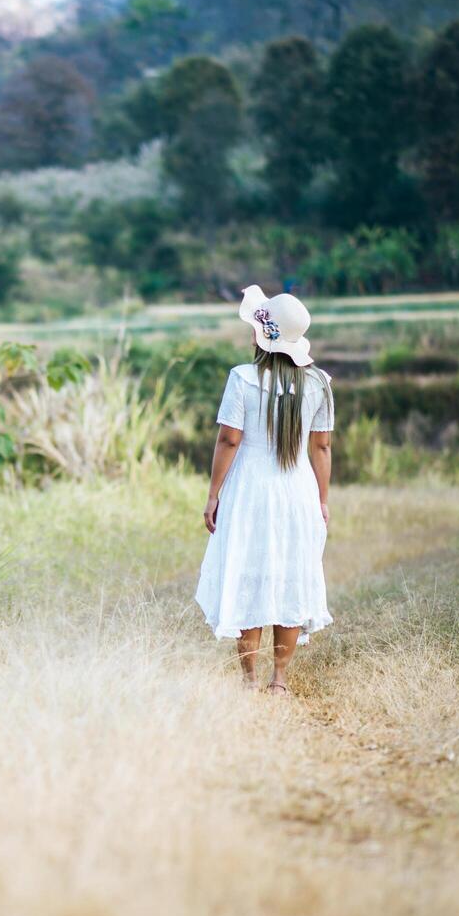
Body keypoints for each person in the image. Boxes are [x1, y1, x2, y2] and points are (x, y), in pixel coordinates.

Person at [194, 285, 334, 694]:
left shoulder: (242, 377)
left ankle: (249, 680)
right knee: (289, 575)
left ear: (261, 334)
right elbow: (322, 447)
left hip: (251, 489)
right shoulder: (320, 383)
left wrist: (213, 493)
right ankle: (280, 681)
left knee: (250, 575)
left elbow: (229, 440)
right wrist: (322, 500)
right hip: (297, 491)